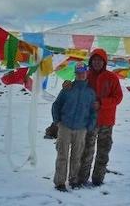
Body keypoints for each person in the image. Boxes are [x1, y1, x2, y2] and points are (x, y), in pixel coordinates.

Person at [62, 48, 123, 187]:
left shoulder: (112, 77)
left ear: (104, 62)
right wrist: (67, 85)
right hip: (89, 120)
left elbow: (118, 97)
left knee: (103, 150)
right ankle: (82, 179)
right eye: (94, 60)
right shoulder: (86, 75)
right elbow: (75, 88)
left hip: (106, 121)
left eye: (100, 60)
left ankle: (98, 179)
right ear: (90, 61)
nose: (97, 63)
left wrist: (102, 103)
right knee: (86, 150)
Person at [52, 62, 97, 191]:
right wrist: (57, 121)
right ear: (75, 74)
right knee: (62, 155)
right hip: (65, 126)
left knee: (77, 156)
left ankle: (73, 180)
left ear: (86, 73)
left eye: (83, 73)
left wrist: (89, 126)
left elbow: (93, 112)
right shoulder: (67, 89)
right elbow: (56, 105)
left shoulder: (90, 92)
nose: (81, 75)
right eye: (78, 73)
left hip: (81, 129)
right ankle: (60, 182)